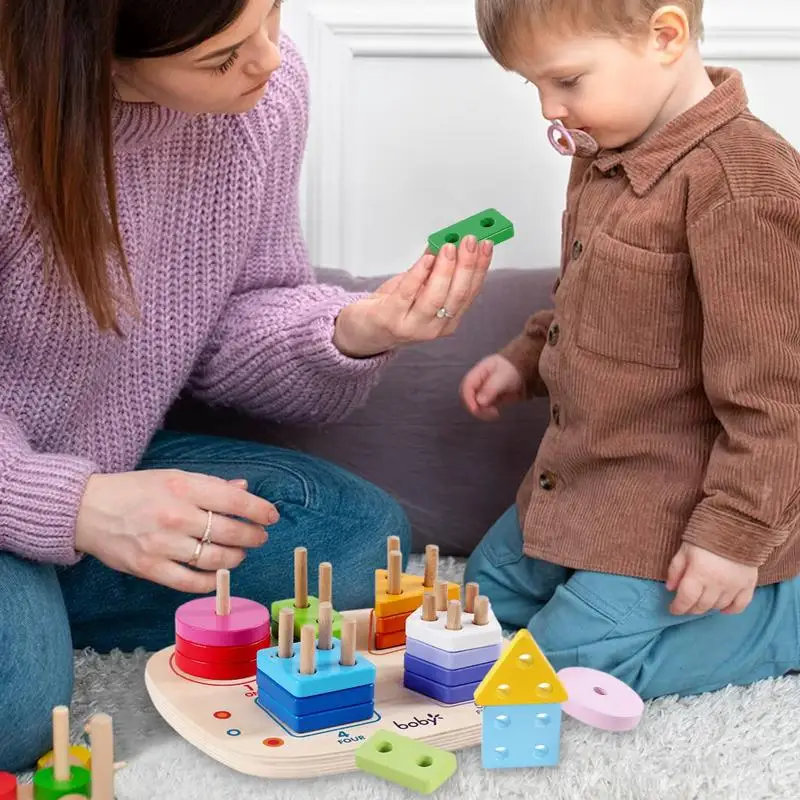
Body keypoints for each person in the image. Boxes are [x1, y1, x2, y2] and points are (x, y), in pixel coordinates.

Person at [0, 0, 494, 772]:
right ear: (93, 54)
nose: (269, 60)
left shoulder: (264, 98)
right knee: (18, 709)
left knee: (359, 539)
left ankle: (47, 598)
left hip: (108, 457)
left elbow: (230, 318)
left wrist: (352, 332)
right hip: (22, 480)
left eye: (271, 15)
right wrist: (72, 507)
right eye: (220, 57)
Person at [462, 0, 800, 701]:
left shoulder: (743, 187)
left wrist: (734, 538)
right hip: (582, 478)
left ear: (666, 36)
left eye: (567, 81)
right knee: (476, 607)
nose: (549, 109)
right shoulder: (601, 156)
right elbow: (589, 294)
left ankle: (782, 612)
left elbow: (778, 393)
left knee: (558, 674)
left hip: (672, 507)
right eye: (535, 88)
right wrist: (524, 362)